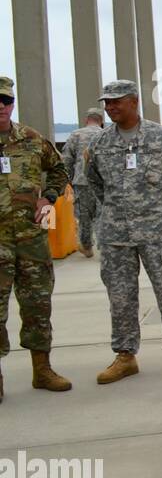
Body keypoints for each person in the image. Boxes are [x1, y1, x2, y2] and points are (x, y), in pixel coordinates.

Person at [85, 81, 162, 383]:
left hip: (159, 231)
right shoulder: (99, 143)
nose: (110, 108)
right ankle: (125, 355)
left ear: (134, 102)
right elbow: (95, 182)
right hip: (115, 233)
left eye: (116, 102)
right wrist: (115, 210)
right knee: (120, 296)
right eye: (107, 103)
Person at [0, 75, 72, 403]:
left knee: (38, 305)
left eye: (6, 101)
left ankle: (42, 369)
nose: (1, 107)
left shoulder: (30, 138)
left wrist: (50, 197)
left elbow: (58, 169)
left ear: (12, 103)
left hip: (30, 239)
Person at [61, 104, 105, 257]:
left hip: (82, 181)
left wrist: (68, 179)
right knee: (102, 215)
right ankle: (104, 247)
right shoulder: (106, 134)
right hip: (104, 182)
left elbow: (66, 159)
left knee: (84, 215)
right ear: (101, 120)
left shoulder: (76, 134)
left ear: (87, 120)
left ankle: (86, 246)